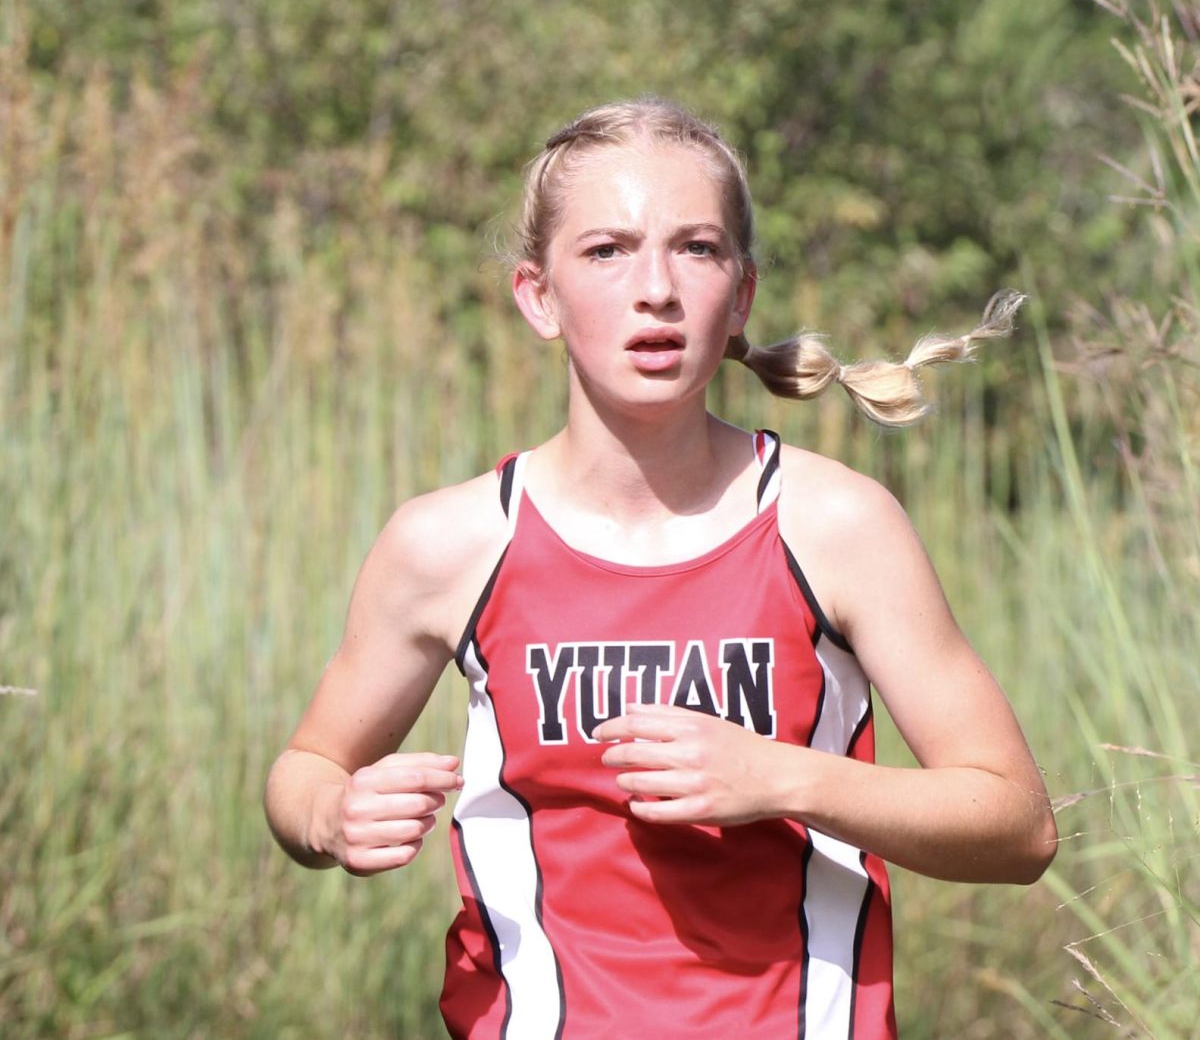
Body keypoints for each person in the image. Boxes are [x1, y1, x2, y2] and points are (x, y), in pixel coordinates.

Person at [264, 97, 1058, 1039]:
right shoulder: (449, 543)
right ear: (538, 296)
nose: (657, 290)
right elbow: (306, 768)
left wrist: (782, 778)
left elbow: (1017, 825)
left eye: (697, 248)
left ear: (742, 295)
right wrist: (330, 816)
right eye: (606, 251)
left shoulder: (836, 525)